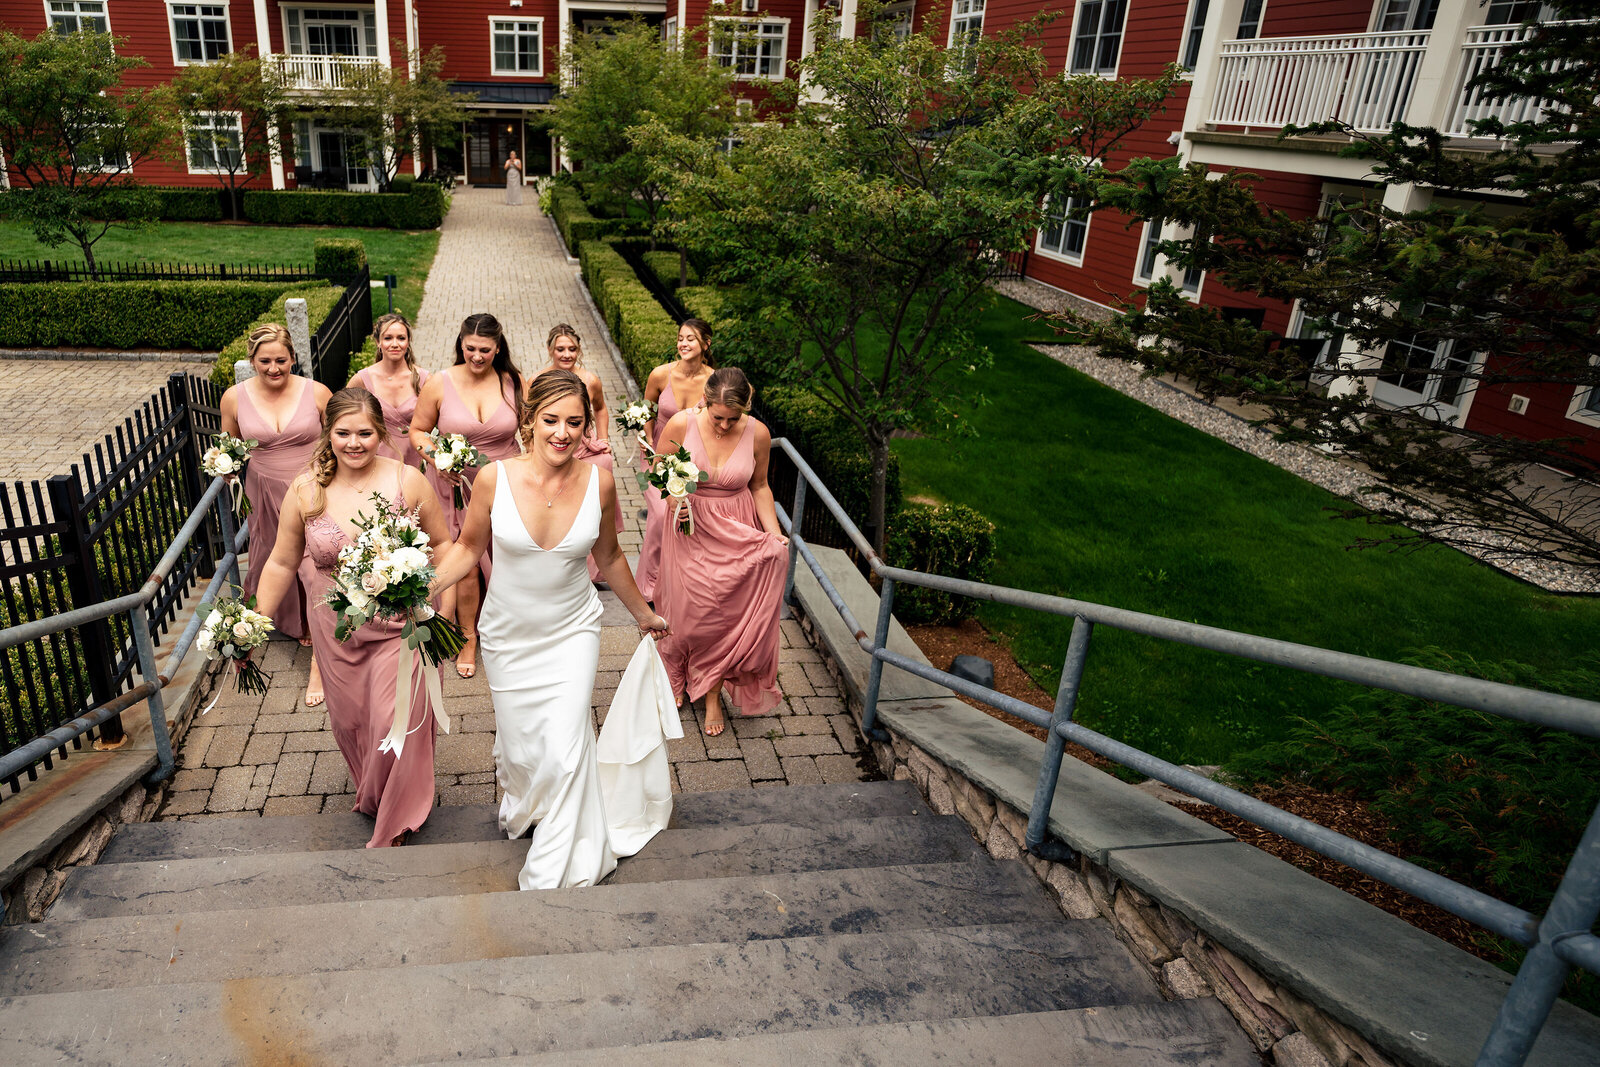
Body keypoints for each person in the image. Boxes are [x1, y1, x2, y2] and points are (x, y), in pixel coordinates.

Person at [432, 369, 669, 889]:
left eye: (575, 423)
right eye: (551, 420)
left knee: (565, 749)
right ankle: (526, 801)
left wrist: (643, 614)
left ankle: (554, 869)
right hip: (507, 636)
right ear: (528, 422)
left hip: (573, 633)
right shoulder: (494, 478)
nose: (563, 433)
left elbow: (607, 555)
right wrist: (426, 587)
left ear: (587, 427)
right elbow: (469, 548)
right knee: (523, 750)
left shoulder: (600, 480)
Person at [253, 389, 450, 848]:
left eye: (365, 433)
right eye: (343, 433)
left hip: (403, 626)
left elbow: (442, 544)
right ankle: (377, 794)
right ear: (329, 434)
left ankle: (398, 817)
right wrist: (257, 622)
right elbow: (282, 563)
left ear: (381, 433)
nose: (354, 443)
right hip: (336, 632)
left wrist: (431, 593)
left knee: (394, 718)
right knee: (355, 723)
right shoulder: (306, 490)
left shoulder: (408, 481)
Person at [654, 367, 788, 736]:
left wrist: (774, 534)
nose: (726, 425)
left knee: (724, 615)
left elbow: (760, 486)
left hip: (737, 527)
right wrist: (674, 498)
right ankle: (678, 666)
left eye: (734, 418)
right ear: (705, 401)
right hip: (690, 526)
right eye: (718, 417)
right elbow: (660, 472)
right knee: (692, 612)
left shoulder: (758, 433)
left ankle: (712, 692)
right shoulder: (681, 424)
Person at [220, 324, 332, 707]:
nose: (273, 368)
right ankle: (300, 623)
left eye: (281, 360)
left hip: (313, 488)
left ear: (293, 357)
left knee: (314, 563)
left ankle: (321, 648)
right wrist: (226, 465)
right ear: (251, 360)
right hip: (265, 491)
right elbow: (231, 444)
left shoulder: (316, 392)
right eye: (264, 361)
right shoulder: (233, 398)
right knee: (274, 557)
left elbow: (338, 440)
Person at [409, 313, 523, 679]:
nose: (476, 356)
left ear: (498, 348)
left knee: (507, 557)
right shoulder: (438, 383)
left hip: (504, 481)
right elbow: (418, 430)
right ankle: (468, 635)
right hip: (452, 485)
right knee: (466, 563)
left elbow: (534, 429)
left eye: (485, 350)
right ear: (460, 344)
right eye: (470, 348)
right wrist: (435, 459)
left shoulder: (514, 382)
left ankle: (508, 626)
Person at [637, 319, 714, 602]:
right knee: (659, 517)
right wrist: (646, 438)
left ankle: (681, 581)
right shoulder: (660, 375)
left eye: (691, 338)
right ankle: (649, 586)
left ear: (706, 344)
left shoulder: (714, 380)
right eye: (681, 338)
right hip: (658, 455)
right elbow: (646, 410)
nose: (683, 343)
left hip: (692, 460)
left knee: (686, 519)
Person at [539, 324, 620, 584]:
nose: (566, 354)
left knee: (592, 509)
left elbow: (601, 409)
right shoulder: (539, 380)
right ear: (550, 349)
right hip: (555, 450)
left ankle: (592, 570)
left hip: (584, 447)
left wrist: (604, 438)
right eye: (560, 349)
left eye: (572, 349)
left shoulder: (590, 380)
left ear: (579, 350)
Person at [349, 312, 429, 470]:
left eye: (401, 338)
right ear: (378, 342)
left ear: (408, 342)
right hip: (375, 460)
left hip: (416, 459)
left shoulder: (424, 379)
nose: (395, 344)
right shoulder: (362, 380)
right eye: (388, 338)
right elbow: (343, 418)